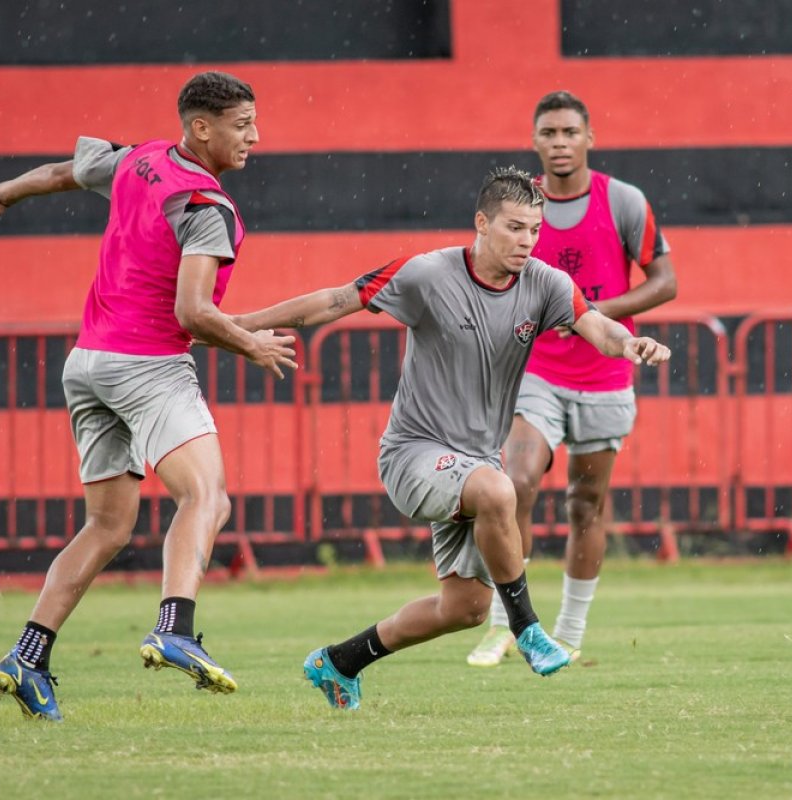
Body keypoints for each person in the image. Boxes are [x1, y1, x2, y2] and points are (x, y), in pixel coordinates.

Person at [230, 166, 671, 710]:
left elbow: (597, 326)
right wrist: (241, 325)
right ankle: (528, 628)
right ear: (481, 223)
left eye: (535, 230)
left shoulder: (545, 283)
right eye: (514, 227)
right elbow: (336, 301)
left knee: (464, 609)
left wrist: (628, 345)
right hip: (413, 455)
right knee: (500, 489)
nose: (527, 241)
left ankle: (340, 661)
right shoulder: (427, 274)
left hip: (474, 462)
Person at [0, 71, 297, 722]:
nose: (255, 136)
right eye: (243, 124)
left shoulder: (141, 159)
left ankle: (26, 657)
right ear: (202, 128)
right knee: (207, 497)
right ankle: (174, 627)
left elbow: (63, 173)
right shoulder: (207, 207)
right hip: (147, 364)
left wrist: (3, 192)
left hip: (87, 363)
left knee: (107, 526)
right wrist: (252, 345)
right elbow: (192, 313)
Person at [466, 91, 678, 668]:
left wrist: (589, 313)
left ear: (589, 138)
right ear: (534, 140)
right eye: (549, 133)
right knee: (516, 483)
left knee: (586, 505)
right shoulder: (520, 206)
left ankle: (569, 631)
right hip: (536, 372)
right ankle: (504, 624)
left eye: (570, 132)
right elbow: (490, 274)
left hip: (606, 375)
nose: (560, 143)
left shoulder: (624, 201)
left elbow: (665, 282)